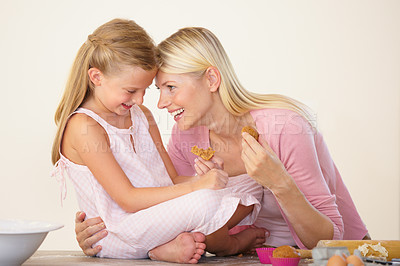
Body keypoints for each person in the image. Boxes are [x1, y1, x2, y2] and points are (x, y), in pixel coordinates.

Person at [74, 26, 370, 255]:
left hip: (342, 256)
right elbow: (171, 212)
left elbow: (328, 241)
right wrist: (103, 234)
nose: (160, 103)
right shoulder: (185, 134)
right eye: (159, 89)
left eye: (171, 87)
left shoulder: (285, 127)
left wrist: (279, 183)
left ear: (212, 80)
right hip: (251, 257)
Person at [51, 19, 267, 264]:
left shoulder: (142, 116)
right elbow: (128, 199)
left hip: (152, 218)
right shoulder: (85, 127)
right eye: (131, 90)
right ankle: (228, 245)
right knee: (206, 199)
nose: (141, 100)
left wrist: (207, 178)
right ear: (96, 77)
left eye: (145, 90)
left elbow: (171, 179)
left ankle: (163, 247)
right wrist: (198, 187)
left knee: (247, 185)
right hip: (116, 232)